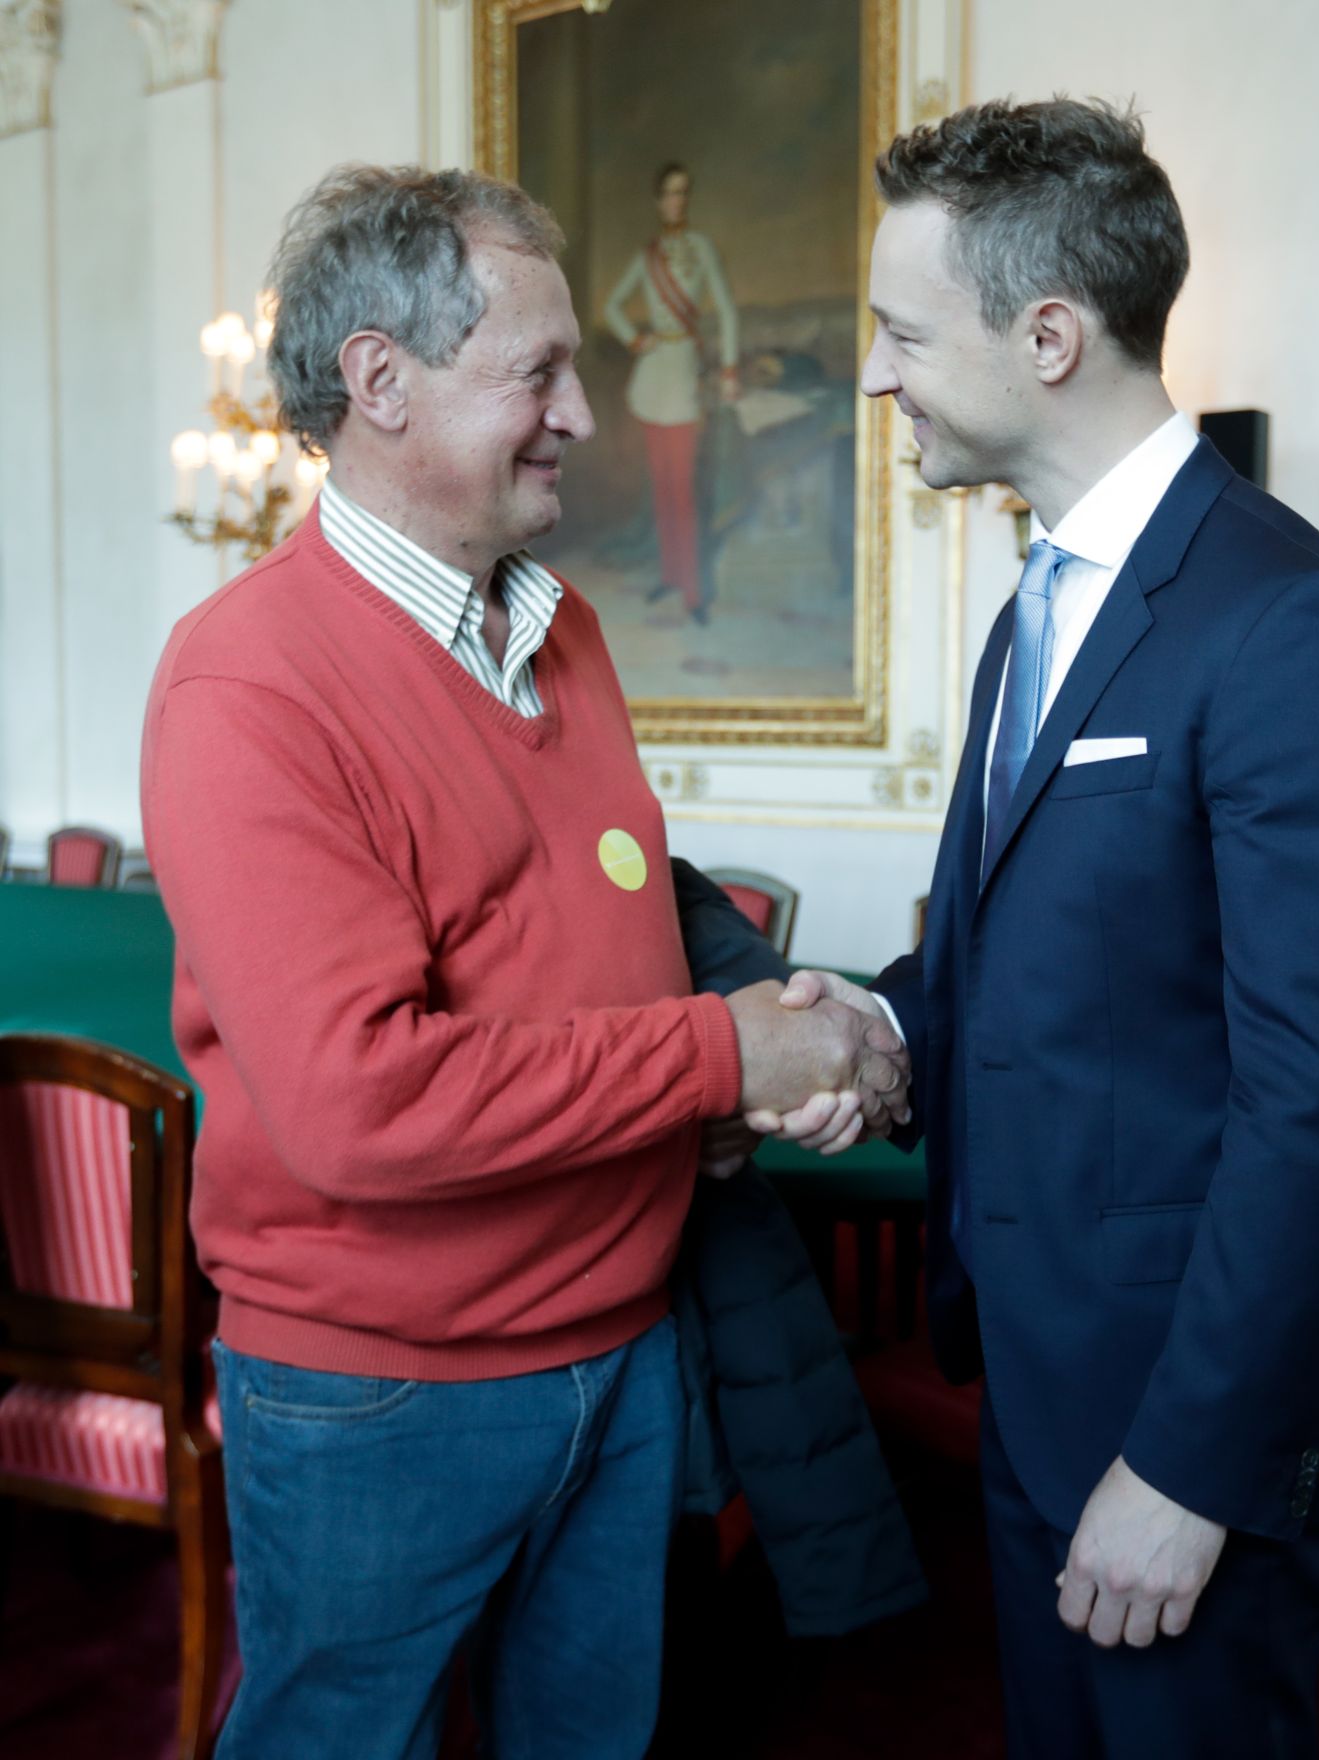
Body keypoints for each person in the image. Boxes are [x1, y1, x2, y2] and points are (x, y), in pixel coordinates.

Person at [139, 164, 906, 1760]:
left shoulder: (561, 625)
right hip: (384, 1400)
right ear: (379, 382)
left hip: (622, 1353)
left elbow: (611, 903)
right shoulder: (246, 684)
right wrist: (723, 1058)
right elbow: (361, 1102)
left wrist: (771, 1031)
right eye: (538, 372)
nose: (582, 413)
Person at [764, 98, 1319, 1757]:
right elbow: (1013, 954)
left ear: (1049, 337)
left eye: (901, 333)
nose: (873, 376)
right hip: (1038, 1363)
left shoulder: (1304, 630)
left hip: (1176, 1409)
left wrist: (1191, 1467)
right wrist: (885, 1024)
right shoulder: (1039, 606)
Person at [603, 161, 739, 623]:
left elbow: (725, 311)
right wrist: (634, 338)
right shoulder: (648, 255)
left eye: (683, 193)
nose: (675, 201)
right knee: (661, 488)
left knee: (684, 490)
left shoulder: (701, 249)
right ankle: (670, 575)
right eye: (668, 193)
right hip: (651, 376)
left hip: (682, 376)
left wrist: (729, 369)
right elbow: (613, 306)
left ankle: (695, 593)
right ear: (659, 201)